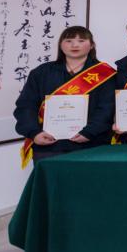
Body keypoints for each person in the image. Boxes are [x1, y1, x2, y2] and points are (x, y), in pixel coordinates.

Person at [14, 26, 115, 165]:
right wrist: (34, 133)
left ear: (91, 45)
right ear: (61, 45)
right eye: (68, 41)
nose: (75, 45)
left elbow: (107, 108)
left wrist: (89, 132)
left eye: (81, 40)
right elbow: (26, 106)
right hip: (49, 145)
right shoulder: (41, 72)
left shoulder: (105, 74)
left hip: (93, 144)